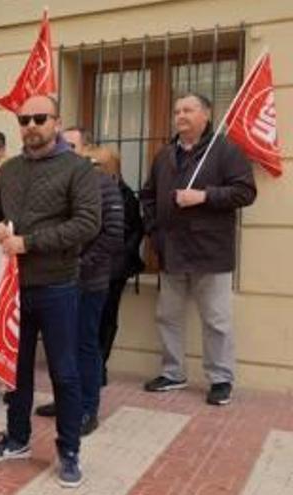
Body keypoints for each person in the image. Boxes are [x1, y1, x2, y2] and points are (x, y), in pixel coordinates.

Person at [0, 95, 100, 489]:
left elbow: (87, 224)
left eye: (39, 118)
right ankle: (17, 439)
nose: (31, 124)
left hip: (58, 285)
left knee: (64, 373)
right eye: (24, 119)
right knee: (15, 371)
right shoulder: (9, 169)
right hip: (13, 286)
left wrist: (29, 243)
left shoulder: (78, 169)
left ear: (56, 122)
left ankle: (69, 451)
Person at [140, 93, 256, 406]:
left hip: (211, 252)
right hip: (171, 251)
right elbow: (148, 196)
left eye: (188, 110)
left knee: (216, 321)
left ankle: (220, 379)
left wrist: (204, 197)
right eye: (177, 110)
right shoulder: (164, 155)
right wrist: (154, 232)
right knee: (168, 316)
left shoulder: (225, 150)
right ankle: (173, 372)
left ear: (205, 115)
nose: (181, 115)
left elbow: (245, 192)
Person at [34, 145, 124, 437]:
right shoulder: (60, 183)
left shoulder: (105, 186)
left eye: (74, 146)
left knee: (85, 346)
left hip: (89, 283)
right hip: (56, 282)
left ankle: (87, 408)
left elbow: (112, 235)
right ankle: (65, 403)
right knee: (61, 347)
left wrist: (79, 265)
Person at [98, 148, 144, 386]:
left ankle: (99, 366)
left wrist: (122, 255)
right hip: (93, 266)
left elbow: (136, 230)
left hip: (114, 268)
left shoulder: (125, 196)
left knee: (106, 317)